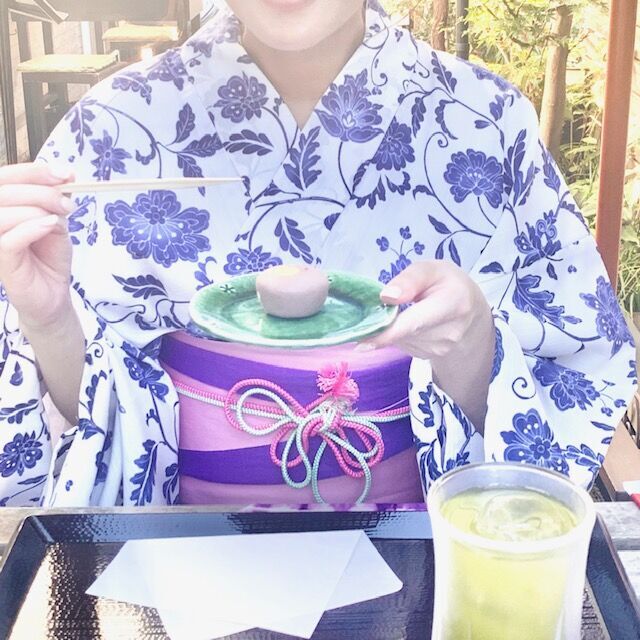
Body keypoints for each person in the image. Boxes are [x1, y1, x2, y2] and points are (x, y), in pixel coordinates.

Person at [0, 0, 635, 507]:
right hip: (185, 549)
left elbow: (576, 378)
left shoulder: (485, 122)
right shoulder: (110, 128)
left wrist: (471, 346)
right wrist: (49, 320)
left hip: (419, 554)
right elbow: (96, 418)